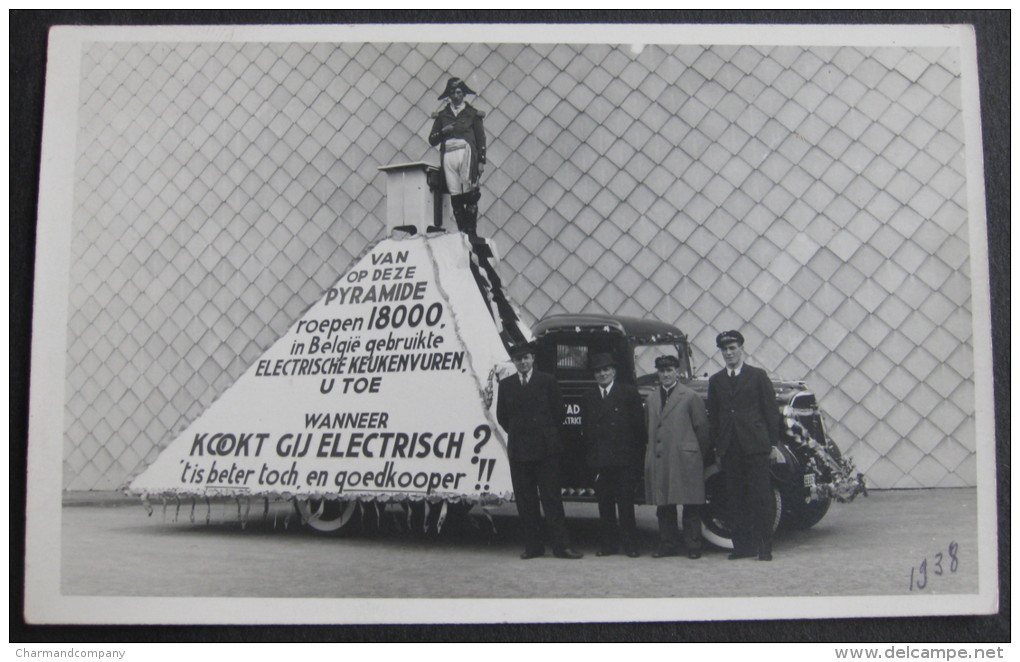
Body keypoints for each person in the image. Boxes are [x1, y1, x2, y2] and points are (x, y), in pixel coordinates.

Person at [496, 341, 583, 560]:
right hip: (519, 451)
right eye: (518, 359)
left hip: (546, 451)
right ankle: (533, 547)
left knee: (551, 499)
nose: (523, 362)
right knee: (526, 501)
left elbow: (559, 414)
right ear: (514, 362)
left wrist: (543, 435)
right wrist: (520, 434)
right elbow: (503, 417)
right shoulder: (506, 385)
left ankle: (561, 547)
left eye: (526, 358)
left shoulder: (547, 381)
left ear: (533, 358)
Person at [706, 330, 783, 561]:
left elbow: (771, 412)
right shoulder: (716, 381)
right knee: (735, 497)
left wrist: (772, 444)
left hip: (755, 447)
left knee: (761, 497)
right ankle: (742, 547)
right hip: (730, 449)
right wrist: (719, 448)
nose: (729, 353)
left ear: (741, 349)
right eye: (724, 349)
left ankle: (764, 547)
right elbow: (715, 417)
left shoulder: (757, 376)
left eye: (733, 348)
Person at [644, 354, 712, 559]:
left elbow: (702, 428)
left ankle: (693, 545)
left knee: (690, 503)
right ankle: (667, 544)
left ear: (677, 372)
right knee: (664, 504)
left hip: (686, 457)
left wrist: (700, 455)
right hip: (661, 458)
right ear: (658, 373)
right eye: (662, 371)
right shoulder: (652, 398)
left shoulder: (690, 396)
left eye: (669, 370)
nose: (666, 374)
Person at [581, 353, 645, 558]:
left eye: (606, 370)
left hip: (623, 458)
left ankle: (630, 545)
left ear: (614, 372)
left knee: (626, 504)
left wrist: (635, 460)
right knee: (605, 504)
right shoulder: (588, 396)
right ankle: (608, 544)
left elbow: (638, 429)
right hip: (600, 460)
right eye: (598, 371)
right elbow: (586, 429)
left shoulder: (628, 393)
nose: (602, 374)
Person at [428, 76, 486, 237]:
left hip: (466, 152)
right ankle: (462, 232)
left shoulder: (472, 114)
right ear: (449, 95)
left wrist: (481, 161)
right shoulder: (443, 116)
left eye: (459, 92)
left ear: (464, 94)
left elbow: (481, 138)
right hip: (448, 154)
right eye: (452, 93)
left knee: (470, 192)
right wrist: (443, 132)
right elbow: (432, 139)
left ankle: (471, 232)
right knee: (456, 194)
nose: (456, 96)